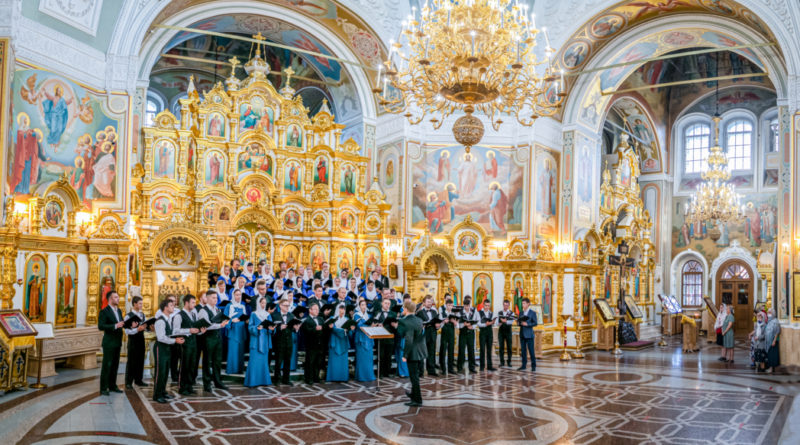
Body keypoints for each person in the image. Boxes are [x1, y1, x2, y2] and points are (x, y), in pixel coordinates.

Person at [173, 294, 205, 396]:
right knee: (184, 366)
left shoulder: (193, 314)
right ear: (186, 303)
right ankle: (182, 387)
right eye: (193, 302)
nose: (194, 304)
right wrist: (189, 330)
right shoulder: (179, 315)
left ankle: (189, 386)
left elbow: (195, 329)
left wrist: (200, 331)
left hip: (193, 343)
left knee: (192, 365)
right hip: (184, 344)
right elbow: (175, 330)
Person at [153, 298, 184, 403]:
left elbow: (168, 334)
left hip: (167, 348)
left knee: (165, 372)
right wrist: (174, 340)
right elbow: (161, 337)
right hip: (160, 348)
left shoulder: (168, 319)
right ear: (165, 307)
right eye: (171, 305)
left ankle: (163, 392)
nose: (173, 307)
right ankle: (157, 395)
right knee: (160, 372)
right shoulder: (160, 321)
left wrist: (175, 337)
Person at [197, 291, 229, 391]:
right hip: (208, 339)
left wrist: (224, 321)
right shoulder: (203, 310)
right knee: (207, 361)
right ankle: (207, 384)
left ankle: (217, 382)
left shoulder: (217, 309)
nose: (216, 300)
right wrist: (220, 325)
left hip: (218, 338)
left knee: (217, 361)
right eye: (213, 298)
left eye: (216, 298)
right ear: (207, 298)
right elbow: (206, 325)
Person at [398, 299, 426, 407]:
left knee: (414, 376)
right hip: (420, 350)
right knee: (416, 375)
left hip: (412, 352)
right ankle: (414, 394)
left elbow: (409, 340)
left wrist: (405, 355)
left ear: (405, 309)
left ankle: (417, 400)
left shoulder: (404, 321)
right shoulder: (419, 320)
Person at [98, 290, 124, 395]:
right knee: (107, 365)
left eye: (118, 297)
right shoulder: (104, 311)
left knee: (115, 365)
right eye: (116, 297)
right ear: (110, 299)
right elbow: (101, 326)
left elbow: (121, 323)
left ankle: (112, 385)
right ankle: (104, 388)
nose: (118, 299)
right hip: (109, 342)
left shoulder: (119, 311)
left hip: (117, 341)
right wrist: (115, 326)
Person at [246, 297, 275, 387]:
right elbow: (250, 327)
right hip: (256, 341)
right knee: (254, 361)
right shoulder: (253, 314)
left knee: (263, 362)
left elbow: (271, 328)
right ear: (258, 303)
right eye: (262, 303)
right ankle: (253, 381)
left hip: (265, 341)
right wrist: (256, 328)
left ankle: (264, 381)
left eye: (265, 303)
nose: (263, 305)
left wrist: (272, 329)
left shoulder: (268, 315)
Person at [273, 298, 299, 385]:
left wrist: (296, 328)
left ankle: (286, 379)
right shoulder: (275, 315)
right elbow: (271, 329)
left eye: (288, 305)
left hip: (289, 342)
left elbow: (294, 329)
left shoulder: (291, 316)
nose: (287, 307)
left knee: (288, 361)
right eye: (285, 305)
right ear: (280, 306)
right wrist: (279, 328)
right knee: (278, 361)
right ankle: (276, 379)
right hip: (279, 342)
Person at [124, 296, 148, 389]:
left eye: (142, 303)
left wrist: (148, 328)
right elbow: (127, 331)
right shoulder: (128, 316)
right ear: (134, 304)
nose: (141, 305)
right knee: (131, 361)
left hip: (141, 339)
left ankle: (139, 380)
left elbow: (144, 327)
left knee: (140, 360)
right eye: (140, 303)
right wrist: (137, 329)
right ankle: (128, 382)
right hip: (133, 340)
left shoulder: (142, 315)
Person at [326, 303, 354, 382]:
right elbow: (329, 330)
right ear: (337, 310)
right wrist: (336, 329)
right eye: (340, 309)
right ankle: (332, 377)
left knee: (343, 361)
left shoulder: (347, 319)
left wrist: (351, 329)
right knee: (334, 360)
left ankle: (343, 377)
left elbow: (350, 334)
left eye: (343, 309)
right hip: (334, 341)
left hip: (343, 341)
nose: (342, 311)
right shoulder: (332, 318)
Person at [416, 295, 439, 377]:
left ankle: (431, 370)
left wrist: (438, 325)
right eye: (428, 301)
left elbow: (437, 322)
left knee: (432, 352)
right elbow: (417, 323)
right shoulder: (419, 312)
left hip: (432, 333)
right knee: (422, 352)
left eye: (431, 301)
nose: (430, 303)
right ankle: (420, 371)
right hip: (424, 333)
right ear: (424, 303)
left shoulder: (434, 312)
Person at [302, 303, 325, 384]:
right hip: (311, 344)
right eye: (315, 309)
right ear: (310, 310)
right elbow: (305, 332)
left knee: (318, 362)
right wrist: (315, 329)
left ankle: (316, 377)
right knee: (310, 362)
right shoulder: (306, 320)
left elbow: (324, 330)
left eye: (318, 309)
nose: (317, 311)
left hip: (320, 344)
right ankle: (309, 378)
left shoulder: (321, 319)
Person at [225, 290, 247, 374]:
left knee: (240, 351)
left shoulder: (243, 306)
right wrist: (231, 320)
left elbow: (244, 317)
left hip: (241, 330)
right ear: (233, 295)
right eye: (236, 295)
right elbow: (224, 319)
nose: (238, 296)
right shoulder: (229, 306)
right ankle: (231, 369)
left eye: (239, 295)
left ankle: (239, 369)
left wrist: (246, 320)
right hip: (233, 330)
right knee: (233, 350)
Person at [353, 299, 376, 382]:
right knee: (361, 359)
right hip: (360, 338)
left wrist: (373, 325)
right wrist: (370, 326)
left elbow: (370, 325)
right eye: (362, 305)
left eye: (365, 305)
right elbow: (359, 326)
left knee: (369, 358)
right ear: (359, 306)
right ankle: (361, 377)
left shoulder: (369, 316)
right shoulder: (356, 315)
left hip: (369, 339)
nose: (364, 306)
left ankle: (369, 376)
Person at [375, 298, 397, 377]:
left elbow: (396, 326)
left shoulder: (393, 314)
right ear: (382, 304)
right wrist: (378, 325)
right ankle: (380, 373)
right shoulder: (377, 312)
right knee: (381, 356)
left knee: (388, 356)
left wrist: (394, 325)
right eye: (385, 303)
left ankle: (387, 372)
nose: (387, 305)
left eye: (388, 304)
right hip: (380, 337)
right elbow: (374, 322)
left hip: (390, 336)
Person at [457, 297, 478, 373]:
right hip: (463, 333)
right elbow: (458, 324)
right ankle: (460, 367)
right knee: (461, 350)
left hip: (471, 333)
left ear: (470, 305)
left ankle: (472, 367)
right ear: (463, 305)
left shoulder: (474, 311)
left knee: (471, 350)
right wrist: (464, 324)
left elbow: (477, 321)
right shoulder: (460, 313)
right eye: (465, 306)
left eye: (468, 306)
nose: (466, 308)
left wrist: (473, 326)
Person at [518, 297, 538, 371]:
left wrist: (527, 324)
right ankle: (523, 365)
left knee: (531, 351)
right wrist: (519, 322)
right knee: (523, 351)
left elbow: (535, 323)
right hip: (522, 334)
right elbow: (519, 322)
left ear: (528, 304)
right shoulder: (521, 313)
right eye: (522, 303)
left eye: (524, 303)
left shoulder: (532, 313)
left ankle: (533, 366)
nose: (523, 305)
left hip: (529, 334)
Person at [438, 298, 457, 374]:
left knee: (451, 350)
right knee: (443, 350)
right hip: (444, 334)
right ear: (446, 305)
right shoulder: (441, 313)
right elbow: (439, 326)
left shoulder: (454, 314)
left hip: (451, 334)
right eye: (449, 305)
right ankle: (443, 369)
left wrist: (455, 323)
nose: (450, 307)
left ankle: (450, 368)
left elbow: (457, 326)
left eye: (451, 305)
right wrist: (443, 321)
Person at [477, 297, 495, 371]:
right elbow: (478, 323)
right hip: (483, 332)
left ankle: (489, 366)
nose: (487, 307)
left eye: (488, 305)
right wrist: (486, 324)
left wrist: (493, 323)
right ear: (483, 305)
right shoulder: (479, 313)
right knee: (482, 349)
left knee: (489, 349)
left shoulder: (491, 313)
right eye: (486, 305)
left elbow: (494, 324)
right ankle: (482, 366)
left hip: (489, 332)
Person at [497, 299, 514, 367]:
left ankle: (509, 361)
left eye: (507, 305)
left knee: (509, 347)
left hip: (508, 332)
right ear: (503, 305)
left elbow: (511, 322)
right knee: (501, 347)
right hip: (501, 331)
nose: (505, 306)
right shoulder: (500, 312)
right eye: (504, 305)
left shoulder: (511, 313)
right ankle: (502, 362)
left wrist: (505, 321)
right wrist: (499, 323)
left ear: (509, 305)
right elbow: (497, 323)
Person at [765, 308, 781, 372]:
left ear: (773, 314)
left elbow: (777, 332)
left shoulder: (775, 321)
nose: (768, 314)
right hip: (768, 341)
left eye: (770, 313)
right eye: (768, 312)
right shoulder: (769, 321)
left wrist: (774, 341)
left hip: (773, 341)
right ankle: (770, 368)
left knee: (772, 355)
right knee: (769, 355)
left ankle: (772, 368)